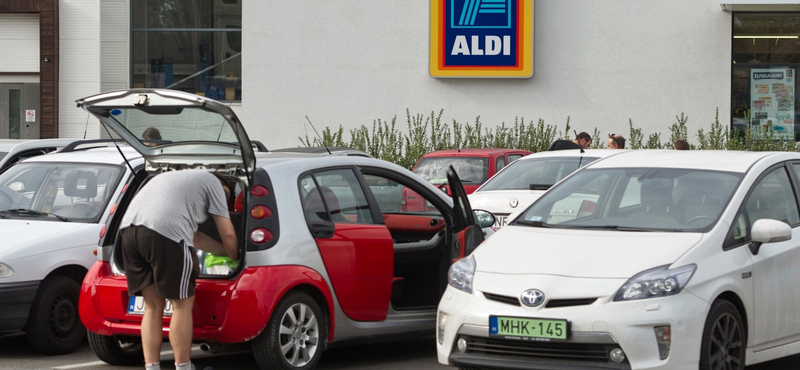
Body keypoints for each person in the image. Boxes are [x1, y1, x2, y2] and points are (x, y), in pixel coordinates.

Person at [120, 170, 238, 370]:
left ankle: (152, 367)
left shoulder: (176, 180)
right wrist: (238, 257)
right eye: (226, 195)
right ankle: (184, 367)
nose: (223, 199)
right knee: (182, 303)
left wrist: (224, 253)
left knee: (153, 306)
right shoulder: (214, 183)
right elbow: (227, 233)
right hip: (164, 234)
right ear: (221, 183)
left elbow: (196, 238)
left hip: (129, 233)